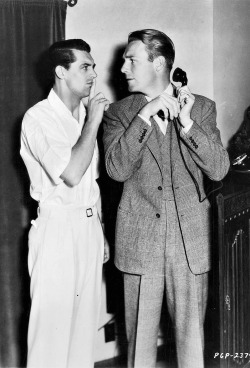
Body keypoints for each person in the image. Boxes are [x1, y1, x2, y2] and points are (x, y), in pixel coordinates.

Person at [103, 29, 230, 368]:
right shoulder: (119, 113)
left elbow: (219, 169)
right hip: (140, 241)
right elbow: (116, 168)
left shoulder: (201, 108)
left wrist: (187, 124)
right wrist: (145, 116)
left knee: (192, 346)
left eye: (132, 60)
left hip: (191, 243)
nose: (123, 68)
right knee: (138, 349)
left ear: (158, 63)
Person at [20, 39, 110, 368]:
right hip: (57, 231)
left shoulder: (85, 114)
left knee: (83, 338)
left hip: (87, 228)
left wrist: (98, 230)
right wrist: (93, 123)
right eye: (84, 67)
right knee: (51, 338)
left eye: (93, 67)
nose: (93, 74)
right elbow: (72, 173)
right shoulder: (38, 118)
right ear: (61, 71)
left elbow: (91, 182)